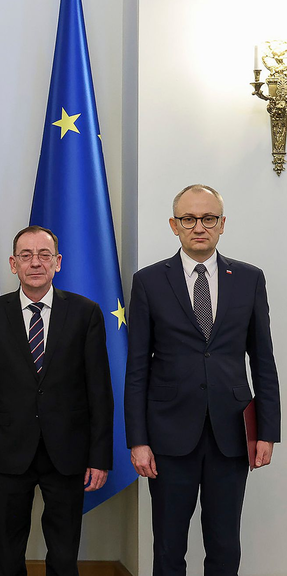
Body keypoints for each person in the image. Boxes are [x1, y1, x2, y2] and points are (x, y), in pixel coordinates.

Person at [125, 184, 281, 575]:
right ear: (174, 225)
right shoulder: (148, 281)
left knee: (225, 545)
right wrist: (138, 440)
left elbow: (263, 360)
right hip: (167, 436)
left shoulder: (249, 279)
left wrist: (268, 431)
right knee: (168, 547)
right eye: (189, 219)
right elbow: (137, 368)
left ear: (222, 224)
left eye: (208, 218)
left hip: (231, 434)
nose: (199, 227)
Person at [0, 225, 113, 576]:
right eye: (26, 256)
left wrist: (100, 457)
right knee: (8, 556)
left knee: (64, 558)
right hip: (7, 453)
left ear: (58, 262)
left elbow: (100, 391)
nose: (36, 263)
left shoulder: (85, 313)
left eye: (44, 255)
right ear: (13, 264)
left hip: (67, 453)